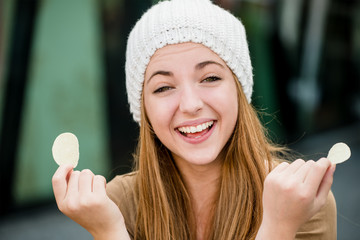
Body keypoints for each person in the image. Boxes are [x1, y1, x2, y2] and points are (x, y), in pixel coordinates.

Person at [52, 0, 337, 239]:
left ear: (239, 89)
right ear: (144, 108)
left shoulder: (300, 200)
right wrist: (110, 230)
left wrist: (279, 226)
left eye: (210, 78)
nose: (190, 105)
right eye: (164, 87)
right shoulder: (117, 203)